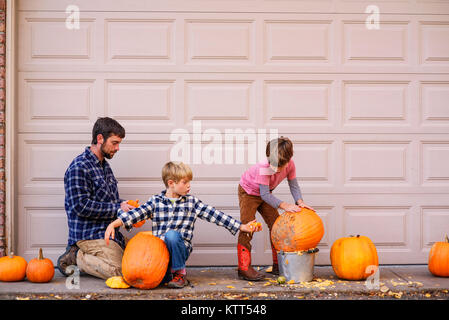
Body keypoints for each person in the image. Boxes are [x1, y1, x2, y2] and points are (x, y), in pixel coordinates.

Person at [104, 161, 261, 288]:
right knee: (156, 278)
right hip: (159, 254)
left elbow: (215, 215)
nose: (189, 186)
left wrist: (242, 226)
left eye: (189, 182)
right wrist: (113, 224)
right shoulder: (155, 202)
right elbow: (134, 215)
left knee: (172, 235)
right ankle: (167, 274)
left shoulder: (191, 202)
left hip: (180, 248)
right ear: (171, 183)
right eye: (185, 182)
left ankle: (180, 274)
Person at [57, 117, 135, 280]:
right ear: (100, 139)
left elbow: (107, 201)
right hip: (88, 235)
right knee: (123, 272)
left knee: (137, 263)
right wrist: (117, 208)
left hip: (108, 233)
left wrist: (122, 204)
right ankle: (76, 257)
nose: (118, 148)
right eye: (114, 143)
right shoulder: (79, 167)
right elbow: (81, 206)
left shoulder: (104, 166)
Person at [237, 136, 314, 281]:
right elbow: (264, 194)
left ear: (288, 159)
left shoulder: (290, 165)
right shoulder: (264, 167)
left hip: (266, 194)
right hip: (248, 193)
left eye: (278, 166)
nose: (274, 168)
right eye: (272, 163)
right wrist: (285, 205)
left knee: (276, 227)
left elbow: (293, 185)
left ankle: (278, 264)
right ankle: (244, 267)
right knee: (249, 227)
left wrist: (299, 201)